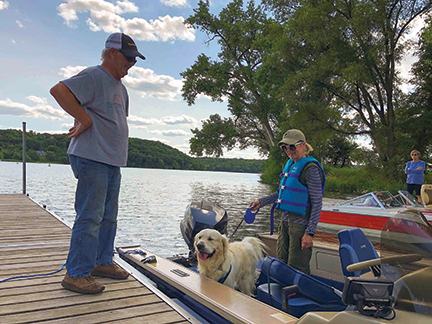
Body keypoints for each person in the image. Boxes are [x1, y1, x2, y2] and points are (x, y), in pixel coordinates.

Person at [50, 33, 146, 294]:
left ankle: (102, 262)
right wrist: (84, 119)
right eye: (128, 58)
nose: (131, 63)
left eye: (134, 59)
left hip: (111, 161)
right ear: (112, 53)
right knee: (90, 217)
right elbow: (59, 91)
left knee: (108, 217)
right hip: (92, 157)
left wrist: (86, 118)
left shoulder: (121, 88)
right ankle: (77, 273)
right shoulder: (94, 75)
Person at [249, 129, 325, 274]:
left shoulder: (311, 169)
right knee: (281, 262)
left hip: (300, 226)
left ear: (303, 145)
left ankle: (297, 294)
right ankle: (280, 293)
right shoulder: (289, 165)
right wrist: (261, 201)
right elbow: (281, 193)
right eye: (285, 147)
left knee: (297, 267)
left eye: (292, 146)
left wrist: (310, 233)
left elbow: (317, 203)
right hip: (285, 222)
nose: (288, 151)